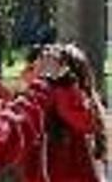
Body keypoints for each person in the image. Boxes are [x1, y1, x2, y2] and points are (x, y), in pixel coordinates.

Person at [21, 44, 106, 182]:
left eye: (49, 62)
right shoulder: (40, 95)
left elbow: (84, 122)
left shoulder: (71, 96)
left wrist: (51, 83)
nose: (39, 67)